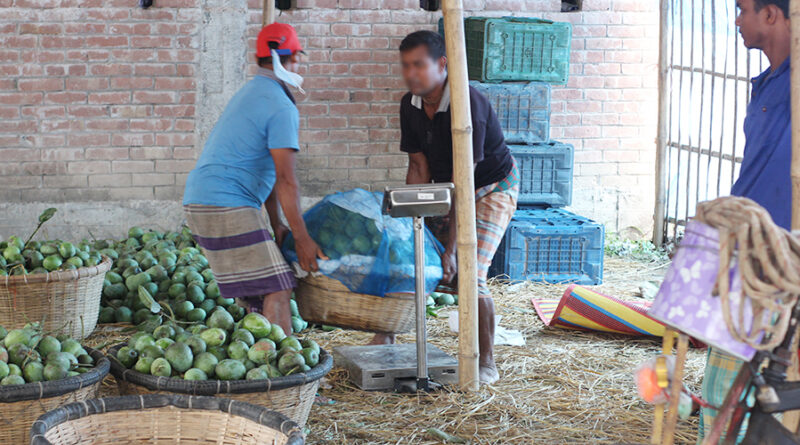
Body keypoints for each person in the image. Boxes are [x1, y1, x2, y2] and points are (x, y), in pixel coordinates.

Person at [369, 30, 520, 385]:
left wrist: (452, 250)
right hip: (445, 187)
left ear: (442, 65)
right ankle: (386, 334)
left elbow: (464, 186)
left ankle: (486, 362)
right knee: (407, 256)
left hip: (490, 187)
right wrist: (407, 225)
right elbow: (418, 168)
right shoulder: (410, 104)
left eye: (418, 65)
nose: (410, 74)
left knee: (470, 273)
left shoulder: (469, 105)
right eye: (405, 66)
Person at [182, 23, 326, 335]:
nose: (299, 65)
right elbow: (287, 180)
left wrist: (277, 224)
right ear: (288, 59)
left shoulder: (253, 92)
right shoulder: (280, 105)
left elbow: (270, 175)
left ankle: (259, 363)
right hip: (224, 203)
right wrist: (302, 239)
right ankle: (283, 374)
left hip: (205, 199)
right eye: (298, 58)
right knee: (278, 286)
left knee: (259, 290)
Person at [699, 0, 790, 442]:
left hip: (784, 255)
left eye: (742, 10)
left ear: (771, 14)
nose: (736, 20)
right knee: (724, 386)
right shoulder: (767, 84)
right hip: (746, 249)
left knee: (776, 385)